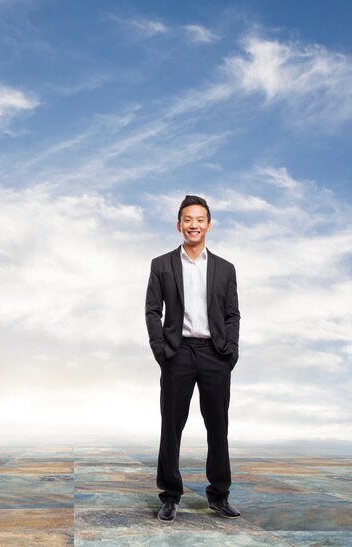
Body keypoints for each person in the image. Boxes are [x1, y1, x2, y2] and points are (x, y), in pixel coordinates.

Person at [145, 194, 241, 521]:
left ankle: (219, 495)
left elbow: (232, 315)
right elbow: (152, 311)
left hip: (216, 354)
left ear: (209, 225)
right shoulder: (162, 265)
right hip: (177, 354)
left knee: (218, 427)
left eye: (200, 220)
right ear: (179, 225)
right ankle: (170, 496)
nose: (194, 225)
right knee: (171, 427)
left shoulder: (225, 269)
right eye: (188, 220)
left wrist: (231, 352)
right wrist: (162, 351)